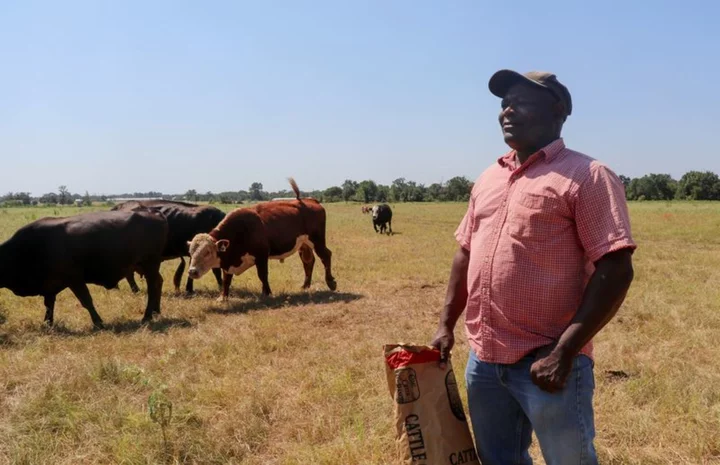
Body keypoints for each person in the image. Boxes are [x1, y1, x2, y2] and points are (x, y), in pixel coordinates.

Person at [430, 70, 636, 465]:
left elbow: (616, 267)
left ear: (557, 110)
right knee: (498, 460)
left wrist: (564, 352)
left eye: (519, 101)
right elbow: (465, 254)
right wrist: (445, 325)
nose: (506, 111)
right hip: (485, 361)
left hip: (548, 361)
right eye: (503, 103)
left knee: (569, 460)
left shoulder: (587, 176)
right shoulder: (489, 178)